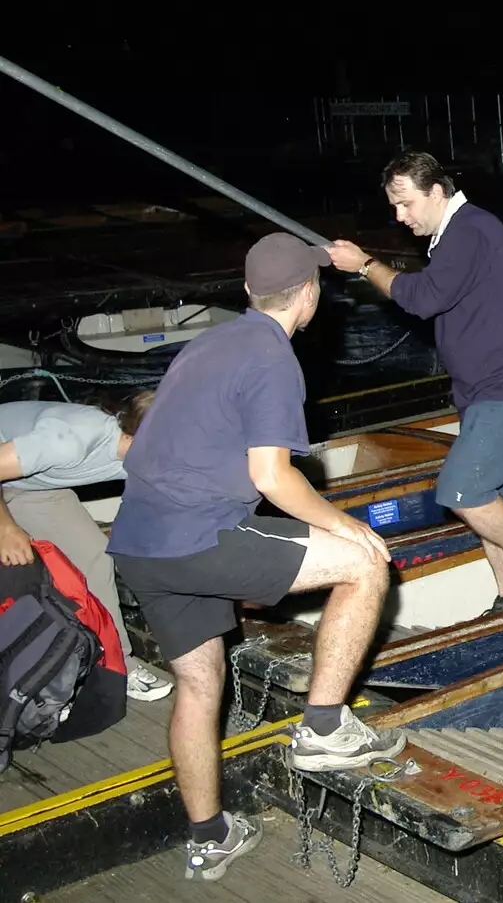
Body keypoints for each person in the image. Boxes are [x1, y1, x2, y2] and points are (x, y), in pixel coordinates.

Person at [107, 233, 404, 882]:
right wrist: (347, 526)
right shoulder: (273, 357)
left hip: (137, 542)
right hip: (196, 536)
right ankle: (324, 727)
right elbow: (272, 475)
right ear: (308, 295)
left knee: (199, 681)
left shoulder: (208, 342)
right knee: (364, 565)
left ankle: (209, 835)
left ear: (248, 292)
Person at [326, 150, 503, 612]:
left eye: (406, 204)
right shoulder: (455, 235)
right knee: (494, 504)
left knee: (462, 491)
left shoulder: (471, 229)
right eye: (393, 207)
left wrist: (363, 264)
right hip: (481, 391)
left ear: (436, 192)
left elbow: (422, 297)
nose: (399, 217)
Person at [0, 392, 172, 701]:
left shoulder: (146, 453)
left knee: (94, 557)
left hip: (31, 485)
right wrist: (6, 528)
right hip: (7, 473)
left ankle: (116, 664)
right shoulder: (70, 440)